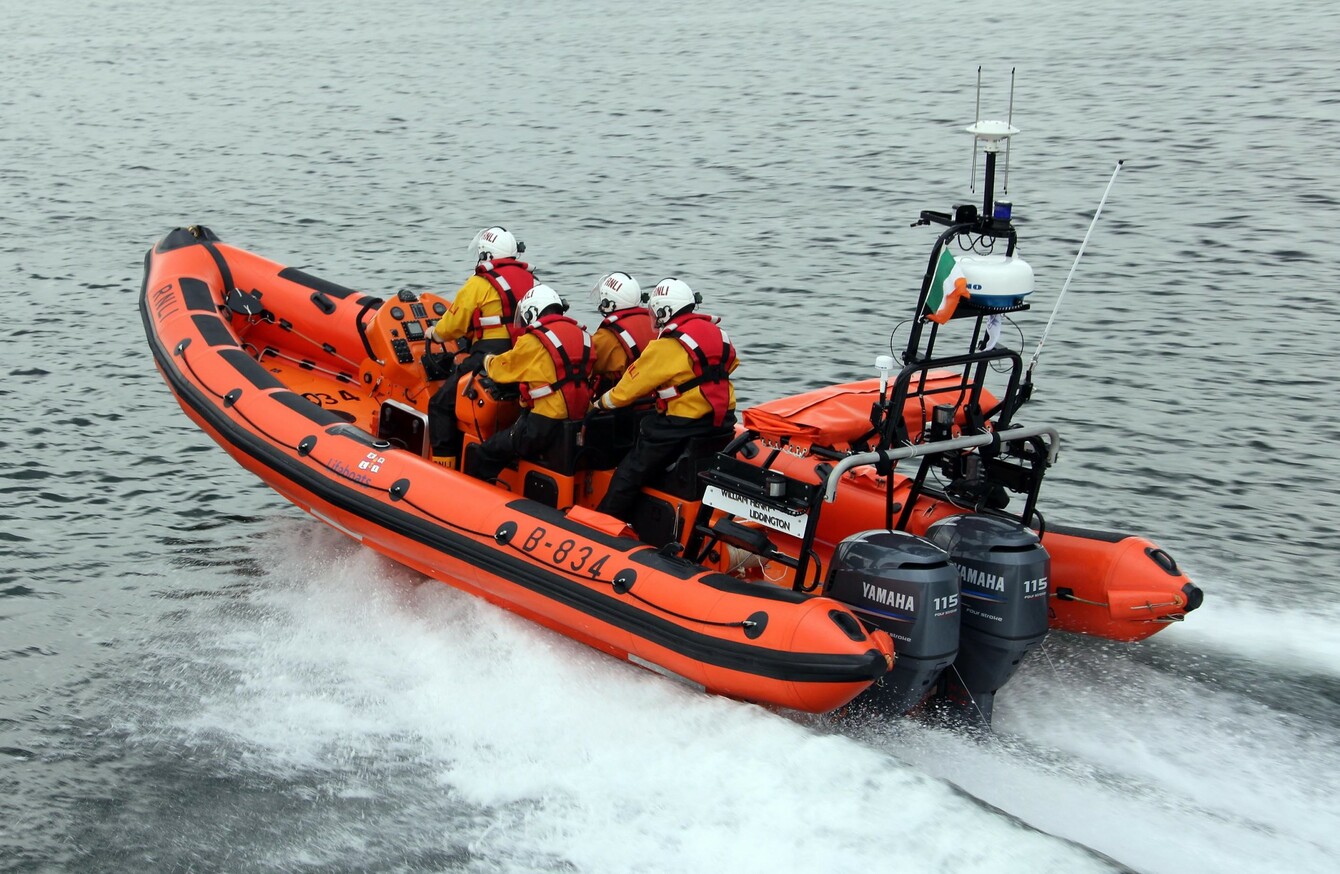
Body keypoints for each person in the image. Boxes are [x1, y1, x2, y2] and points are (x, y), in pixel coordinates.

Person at [593, 277, 738, 522]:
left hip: (682, 423)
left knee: (630, 471)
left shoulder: (667, 345)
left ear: (664, 311)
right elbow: (729, 364)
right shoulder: (718, 333)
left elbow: (627, 390)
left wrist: (599, 404)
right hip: (722, 419)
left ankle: (604, 522)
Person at [425, 226, 536, 468]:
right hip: (523, 353)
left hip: (490, 351)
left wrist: (434, 333)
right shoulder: (530, 279)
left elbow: (452, 325)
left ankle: (443, 465)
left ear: (486, 253)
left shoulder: (479, 283)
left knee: (440, 404)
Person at [468, 284, 594, 483]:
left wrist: (485, 360)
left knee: (487, 452)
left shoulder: (534, 340)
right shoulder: (584, 335)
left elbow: (503, 369)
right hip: (580, 417)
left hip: (544, 424)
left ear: (533, 312)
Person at [588, 271, 656, 393]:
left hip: (624, 405)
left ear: (608, 303)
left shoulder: (607, 336)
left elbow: (585, 364)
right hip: (654, 400)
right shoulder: (656, 324)